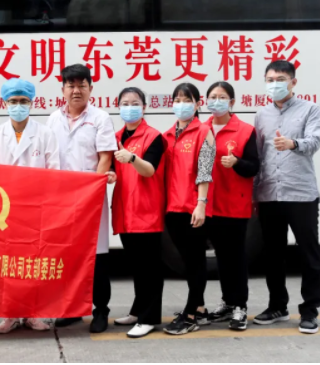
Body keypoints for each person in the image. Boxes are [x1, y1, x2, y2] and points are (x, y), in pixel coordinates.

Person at [0, 78, 60, 334]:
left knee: (33, 262)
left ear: (32, 103)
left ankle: (32, 314)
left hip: (35, 209)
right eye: (13, 101)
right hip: (3, 211)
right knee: (6, 262)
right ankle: (9, 314)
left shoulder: (46, 134)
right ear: (5, 103)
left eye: (23, 101)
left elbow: (54, 172)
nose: (18, 106)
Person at [46, 64, 117, 334]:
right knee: (68, 256)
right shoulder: (53, 119)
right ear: (62, 89)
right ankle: (73, 309)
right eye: (71, 85)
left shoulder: (100, 118)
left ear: (90, 88)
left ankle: (101, 310)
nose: (76, 90)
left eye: (82, 85)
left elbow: (105, 157)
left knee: (96, 257)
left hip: (91, 200)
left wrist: (90, 194)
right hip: (61, 200)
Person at [253, 61, 320, 334]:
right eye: (270, 80)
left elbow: (314, 142)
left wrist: (293, 143)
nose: (274, 84)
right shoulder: (262, 114)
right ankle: (277, 306)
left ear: (293, 82)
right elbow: (259, 156)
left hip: (301, 193)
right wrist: (254, 193)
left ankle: (309, 311)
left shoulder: (310, 109)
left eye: (280, 79)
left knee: (309, 254)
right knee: (273, 255)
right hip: (269, 193)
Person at [109, 87, 166, 338]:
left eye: (135, 103)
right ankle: (138, 310)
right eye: (124, 103)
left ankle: (149, 318)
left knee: (150, 268)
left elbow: (150, 170)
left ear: (144, 107)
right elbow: (113, 168)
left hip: (146, 210)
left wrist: (132, 158)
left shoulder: (153, 137)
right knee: (137, 266)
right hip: (125, 210)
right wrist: (111, 174)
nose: (129, 107)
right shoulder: (116, 137)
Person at [203, 81, 259, 331]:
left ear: (232, 102)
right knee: (221, 256)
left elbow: (254, 167)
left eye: (222, 97)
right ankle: (227, 302)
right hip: (209, 205)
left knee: (236, 256)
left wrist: (236, 162)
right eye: (212, 97)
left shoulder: (245, 131)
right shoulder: (201, 129)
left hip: (234, 204)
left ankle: (240, 306)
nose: (216, 101)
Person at [162, 83, 216, 336]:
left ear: (197, 104)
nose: (181, 104)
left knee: (195, 261)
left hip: (193, 208)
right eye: (177, 100)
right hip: (172, 208)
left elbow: (205, 171)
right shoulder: (167, 135)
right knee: (187, 260)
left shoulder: (204, 131)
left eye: (187, 100)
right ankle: (201, 308)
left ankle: (191, 314)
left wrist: (201, 204)